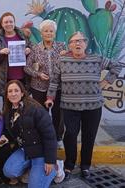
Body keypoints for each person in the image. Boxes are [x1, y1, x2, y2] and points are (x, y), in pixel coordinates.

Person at [45, 31, 121, 180]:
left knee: (89, 136)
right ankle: (69, 164)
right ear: (70, 45)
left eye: (81, 41)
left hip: (93, 106)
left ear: (86, 44)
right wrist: (50, 97)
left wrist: (106, 82)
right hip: (69, 106)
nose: (78, 43)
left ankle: (85, 166)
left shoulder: (96, 59)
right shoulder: (62, 60)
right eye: (74, 41)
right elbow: (54, 81)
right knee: (71, 135)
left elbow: (116, 66)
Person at [0, 80, 57, 188]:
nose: (13, 93)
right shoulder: (8, 111)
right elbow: (8, 130)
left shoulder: (35, 109)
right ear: (6, 95)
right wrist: (4, 137)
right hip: (25, 150)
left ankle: (57, 168)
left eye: (16, 90)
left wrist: (50, 160)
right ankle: (33, 169)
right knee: (8, 171)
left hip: (40, 152)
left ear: (22, 93)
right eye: (10, 91)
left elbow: (50, 136)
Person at [24, 19, 66, 148]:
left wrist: (66, 55)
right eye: (46, 31)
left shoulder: (61, 47)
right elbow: (27, 67)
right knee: (42, 114)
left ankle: (57, 138)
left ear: (55, 33)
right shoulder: (35, 49)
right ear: (41, 33)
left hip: (57, 87)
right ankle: (43, 137)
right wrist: (38, 74)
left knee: (58, 114)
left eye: (51, 31)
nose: (48, 33)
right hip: (39, 87)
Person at [0, 12, 31, 96]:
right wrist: (0, 52)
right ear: (1, 24)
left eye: (11, 22)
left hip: (23, 77)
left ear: (14, 23)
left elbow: (33, 49)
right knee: (7, 104)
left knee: (23, 104)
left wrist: (29, 50)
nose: (9, 24)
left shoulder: (23, 35)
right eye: (6, 22)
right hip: (5, 78)